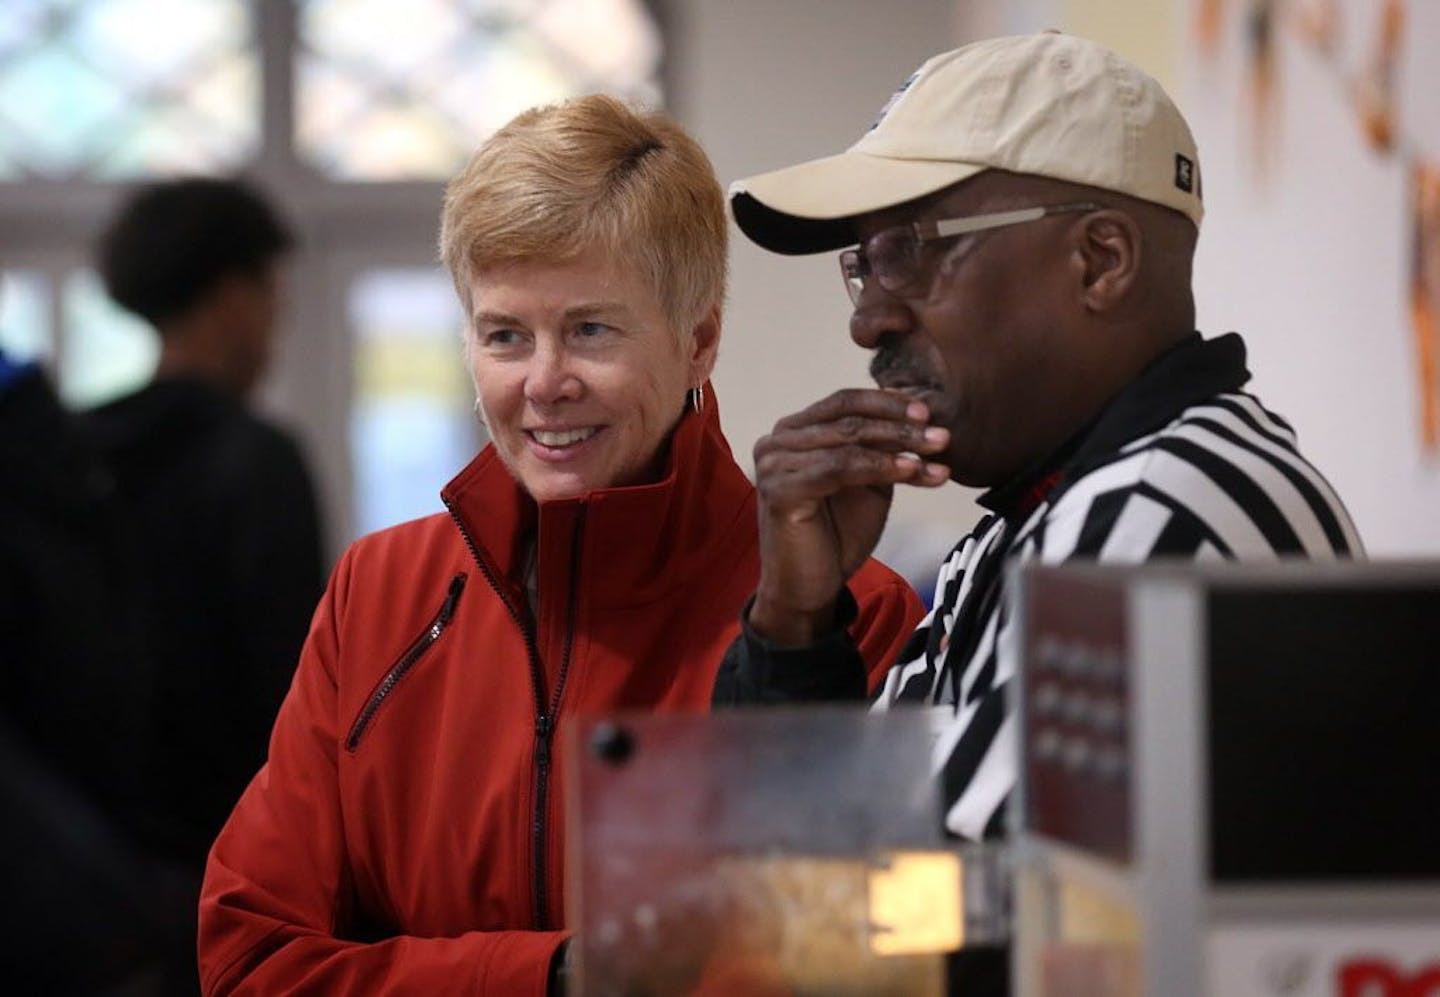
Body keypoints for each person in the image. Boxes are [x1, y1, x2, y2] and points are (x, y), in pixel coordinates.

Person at [197, 95, 924, 994]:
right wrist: (555, 974)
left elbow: (867, 962)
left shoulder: (849, 614)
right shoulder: (379, 591)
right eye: (506, 335)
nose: (544, 383)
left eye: (590, 329)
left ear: (700, 340)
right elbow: (249, 958)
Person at [713, 31, 1362, 986]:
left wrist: (799, 888)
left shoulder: (1161, 514)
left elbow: (948, 935)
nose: (868, 317)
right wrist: (797, 622)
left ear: (1100, 260)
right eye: (864, 264)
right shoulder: (1034, 519)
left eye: (912, 253)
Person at [84, 178, 327, 868]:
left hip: (94, 858)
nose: (276, 324)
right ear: (232, 300)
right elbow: (294, 694)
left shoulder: (76, 453)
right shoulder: (256, 459)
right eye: (272, 295)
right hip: (227, 852)